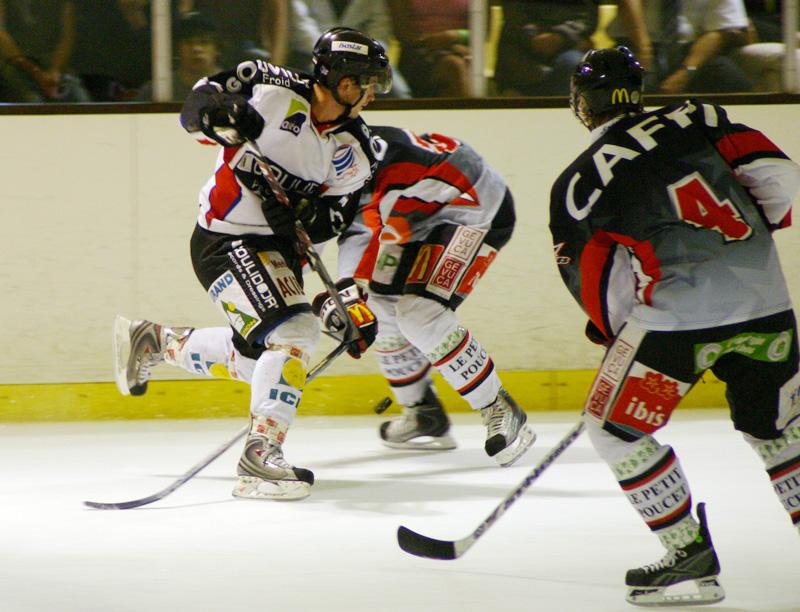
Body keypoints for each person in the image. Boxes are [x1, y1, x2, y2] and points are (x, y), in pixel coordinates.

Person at [549, 46, 800, 606]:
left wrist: (615, 330)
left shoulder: (578, 182)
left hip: (674, 328)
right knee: (780, 430)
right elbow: (780, 178)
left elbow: (596, 281)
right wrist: (755, 233)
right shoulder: (702, 118)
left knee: (613, 427)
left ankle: (689, 559)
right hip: (767, 307)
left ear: (582, 104)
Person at [113, 27, 392, 501]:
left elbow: (332, 224)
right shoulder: (269, 89)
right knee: (294, 335)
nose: (368, 95)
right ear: (339, 79)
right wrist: (216, 112)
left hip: (276, 252)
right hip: (224, 238)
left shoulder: (356, 150)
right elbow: (194, 109)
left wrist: (330, 288)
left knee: (258, 357)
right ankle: (260, 456)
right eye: (362, 83)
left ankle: (155, 342)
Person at [334, 125, 536, 465]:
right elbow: (354, 226)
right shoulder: (336, 158)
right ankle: (423, 413)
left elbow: (361, 220)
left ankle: (497, 405)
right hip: (415, 220)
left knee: (419, 313)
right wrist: (349, 294)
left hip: (473, 209)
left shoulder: (367, 155)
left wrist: (347, 286)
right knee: (374, 306)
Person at [287, 0, 412, 97]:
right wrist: (335, 56)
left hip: (365, 59)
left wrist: (361, 58)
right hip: (314, 57)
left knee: (397, 91)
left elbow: (380, 28)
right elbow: (301, 30)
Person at [493, 0, 597, 97]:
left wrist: (562, 35)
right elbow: (514, 16)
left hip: (569, 45)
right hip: (522, 47)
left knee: (575, 66)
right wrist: (533, 37)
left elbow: (586, 16)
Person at [0, 0, 89, 102]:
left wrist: (55, 71)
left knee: (79, 100)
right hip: (14, 65)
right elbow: (2, 37)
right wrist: (36, 73)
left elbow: (67, 36)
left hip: (52, 63)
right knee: (31, 102)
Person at [386, 0, 470, 97]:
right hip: (418, 51)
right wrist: (441, 41)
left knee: (467, 64)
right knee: (453, 65)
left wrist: (458, 36)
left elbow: (482, 31)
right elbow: (403, 32)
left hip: (463, 48)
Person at [135, 11, 223, 102]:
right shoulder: (155, 91)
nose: (196, 49)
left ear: (217, 49)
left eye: (204, 42)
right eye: (189, 42)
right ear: (178, 49)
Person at [178, 0, 290, 66]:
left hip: (250, 50)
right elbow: (185, 15)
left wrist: (275, 69)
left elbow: (279, 28)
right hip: (210, 49)